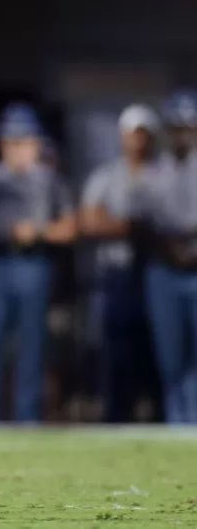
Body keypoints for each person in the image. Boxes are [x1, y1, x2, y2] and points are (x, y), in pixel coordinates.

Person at [0, 103, 77, 422]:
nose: (15, 149)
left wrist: (37, 232)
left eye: (21, 141)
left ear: (35, 144)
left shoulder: (49, 180)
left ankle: (28, 417)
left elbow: (69, 228)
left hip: (34, 264)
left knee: (32, 345)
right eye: (9, 141)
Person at [78, 104, 161, 422]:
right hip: (117, 274)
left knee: (156, 350)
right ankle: (117, 417)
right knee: (116, 352)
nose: (137, 141)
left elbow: (167, 223)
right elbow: (89, 221)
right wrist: (130, 227)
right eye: (132, 134)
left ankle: (159, 417)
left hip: (155, 272)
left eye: (143, 134)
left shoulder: (162, 172)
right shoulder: (106, 175)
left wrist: (124, 225)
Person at [141, 89, 197, 423]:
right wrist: (169, 246)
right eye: (176, 127)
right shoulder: (154, 171)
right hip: (164, 269)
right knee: (170, 357)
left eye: (188, 126)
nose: (182, 133)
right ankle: (177, 424)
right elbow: (142, 223)